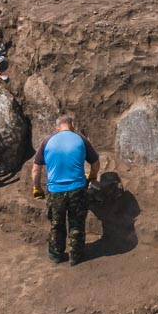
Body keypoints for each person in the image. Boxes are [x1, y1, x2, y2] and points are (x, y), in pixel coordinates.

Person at [32, 114, 99, 266]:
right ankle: (75, 256)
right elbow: (95, 164)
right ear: (73, 124)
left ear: (57, 127)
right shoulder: (81, 140)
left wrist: (37, 188)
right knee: (77, 223)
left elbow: (36, 169)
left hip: (55, 191)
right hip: (78, 189)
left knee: (57, 223)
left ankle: (56, 254)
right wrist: (91, 177)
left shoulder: (47, 142)